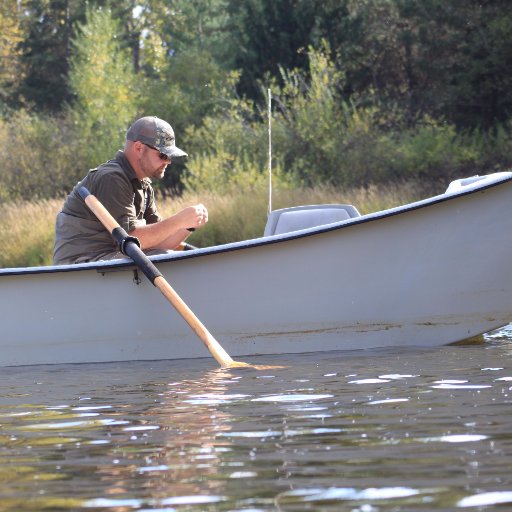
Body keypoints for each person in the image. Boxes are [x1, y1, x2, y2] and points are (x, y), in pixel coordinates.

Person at [53, 116, 208, 265]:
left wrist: (188, 225)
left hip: (111, 260)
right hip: (82, 266)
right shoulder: (111, 178)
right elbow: (132, 239)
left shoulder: (144, 184)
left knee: (168, 257)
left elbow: (159, 242)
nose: (168, 161)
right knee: (167, 259)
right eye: (163, 155)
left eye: (170, 157)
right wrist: (178, 220)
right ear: (139, 148)